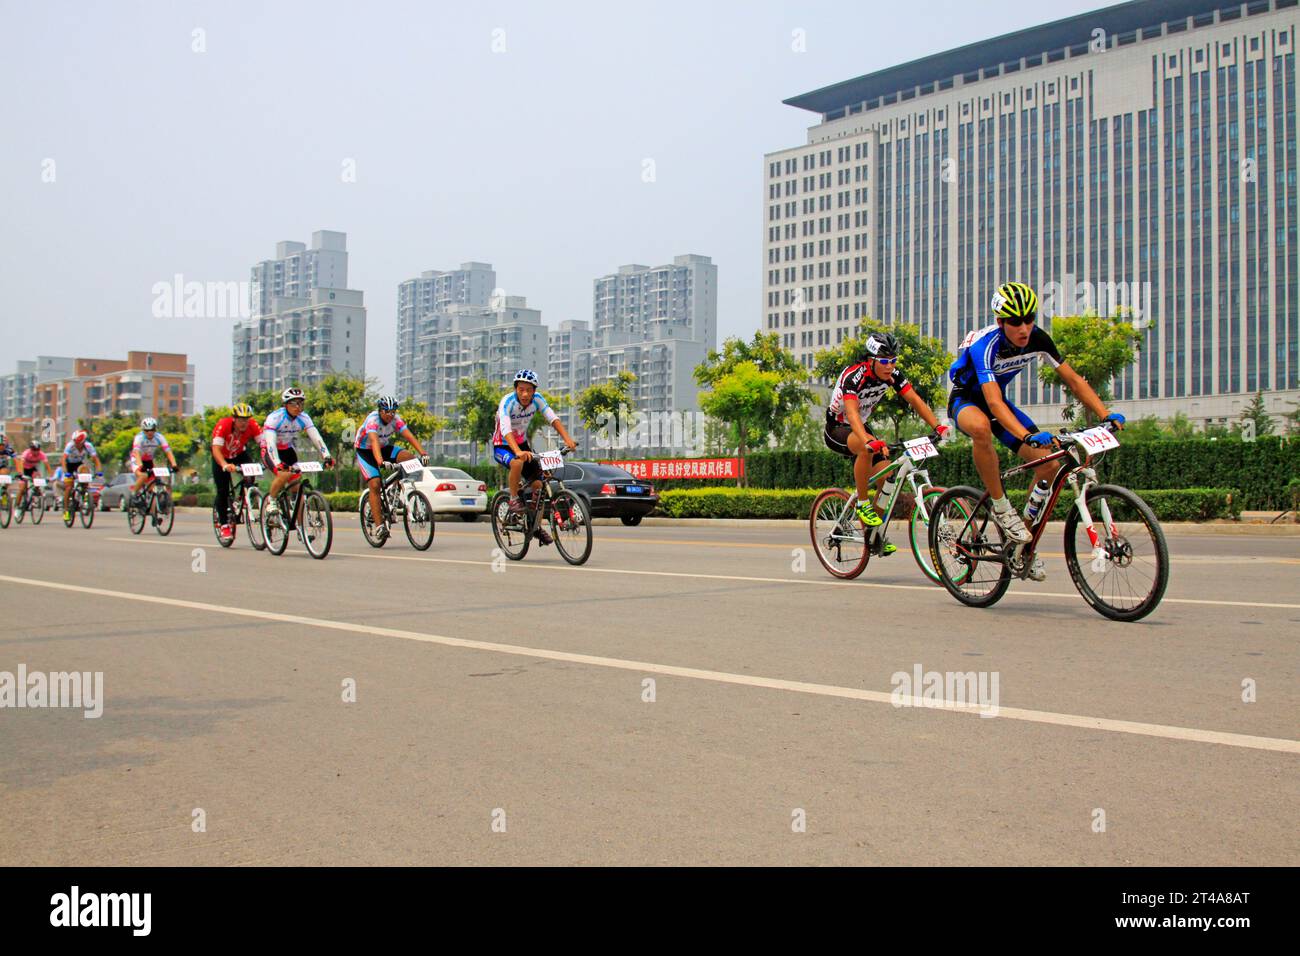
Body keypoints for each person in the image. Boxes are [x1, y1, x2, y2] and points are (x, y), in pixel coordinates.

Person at [947, 281, 1125, 581]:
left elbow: (1074, 380)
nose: (1024, 328)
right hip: (967, 401)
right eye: (1015, 322)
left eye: (1029, 319)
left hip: (1000, 404)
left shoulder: (1038, 338)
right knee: (981, 429)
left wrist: (1105, 414)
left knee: (1051, 466)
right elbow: (991, 401)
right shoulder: (985, 346)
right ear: (1001, 322)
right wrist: (1027, 435)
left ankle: (1022, 548)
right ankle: (1002, 508)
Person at [824, 331, 949, 554]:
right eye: (884, 361)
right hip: (839, 427)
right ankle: (862, 504)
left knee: (888, 480)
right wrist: (867, 441)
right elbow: (851, 413)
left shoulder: (893, 375)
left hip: (861, 428)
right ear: (870, 360)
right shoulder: (854, 376)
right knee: (866, 447)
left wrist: (937, 426)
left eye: (893, 361)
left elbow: (914, 400)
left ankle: (874, 536)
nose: (889, 366)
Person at [490, 369, 577, 546]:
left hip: (522, 445)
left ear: (534, 391)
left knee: (539, 485)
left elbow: (552, 418)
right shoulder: (507, 402)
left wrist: (568, 439)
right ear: (516, 389)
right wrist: (518, 452)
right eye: (521, 389)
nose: (525, 394)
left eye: (529, 390)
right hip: (503, 444)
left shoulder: (537, 400)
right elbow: (506, 429)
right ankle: (513, 499)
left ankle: (535, 525)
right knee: (516, 462)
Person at [355, 396, 428, 541]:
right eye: (386, 412)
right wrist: (381, 462)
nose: (390, 415)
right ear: (380, 411)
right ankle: (379, 526)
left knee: (409, 458)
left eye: (393, 412)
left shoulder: (396, 419)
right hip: (365, 451)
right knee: (375, 484)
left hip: (383, 447)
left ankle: (393, 490)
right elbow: (374, 441)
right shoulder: (372, 420)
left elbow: (409, 436)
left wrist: (423, 453)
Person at [261, 388, 334, 519]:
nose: (297, 407)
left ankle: (301, 528)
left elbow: (316, 438)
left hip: (287, 450)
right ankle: (271, 501)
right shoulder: (275, 418)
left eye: (300, 403)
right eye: (293, 403)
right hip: (270, 450)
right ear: (285, 405)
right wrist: (277, 463)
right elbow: (271, 443)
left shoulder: (304, 418)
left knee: (297, 488)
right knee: (284, 474)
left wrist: (327, 456)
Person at [211, 403, 263, 543]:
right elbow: (216, 449)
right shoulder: (223, 425)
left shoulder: (252, 425)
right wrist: (224, 465)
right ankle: (224, 525)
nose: (244, 423)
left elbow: (264, 444)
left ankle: (242, 498)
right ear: (234, 419)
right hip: (221, 457)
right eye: (240, 420)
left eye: (246, 419)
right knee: (222, 491)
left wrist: (271, 460)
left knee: (251, 472)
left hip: (239, 454)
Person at [129, 417, 178, 508]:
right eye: (147, 430)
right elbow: (136, 452)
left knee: (153, 488)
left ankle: (153, 514)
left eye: (152, 430)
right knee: (143, 475)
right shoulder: (139, 438)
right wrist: (140, 465)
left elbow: (168, 451)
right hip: (137, 459)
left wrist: (174, 464)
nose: (150, 432)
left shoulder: (159, 437)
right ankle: (134, 494)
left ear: (155, 429)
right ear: (143, 430)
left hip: (148, 460)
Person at [60, 430, 103, 522]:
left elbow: (96, 460)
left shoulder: (88, 446)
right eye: (75, 441)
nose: (76, 444)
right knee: (69, 487)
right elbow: (63, 459)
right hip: (69, 465)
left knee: (85, 471)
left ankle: (85, 497)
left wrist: (99, 471)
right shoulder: (70, 446)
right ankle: (66, 510)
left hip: (79, 464)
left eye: (78, 442)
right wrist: (66, 472)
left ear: (83, 442)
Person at [15, 440, 50, 512]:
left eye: (37, 450)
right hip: (24, 469)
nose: (36, 452)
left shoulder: (41, 454)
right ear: (31, 449)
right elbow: (21, 463)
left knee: (38, 479)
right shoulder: (26, 453)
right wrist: (21, 473)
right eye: (34, 450)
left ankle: (34, 494)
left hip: (32, 469)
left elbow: (47, 466)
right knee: (22, 489)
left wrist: (50, 476)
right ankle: (17, 506)